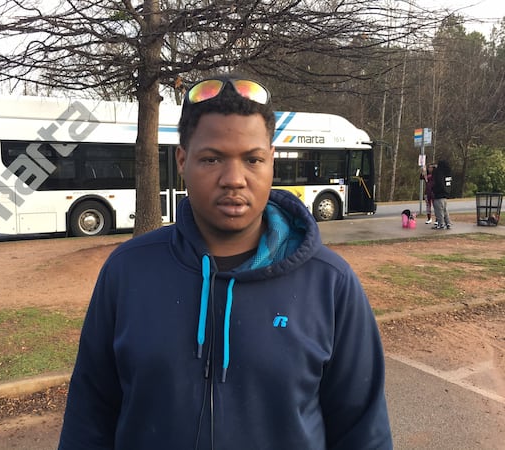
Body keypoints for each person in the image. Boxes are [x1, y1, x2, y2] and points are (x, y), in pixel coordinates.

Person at [58, 75, 393, 449]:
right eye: (212, 158)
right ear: (182, 160)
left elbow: (363, 432)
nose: (234, 179)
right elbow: (89, 418)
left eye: (253, 159)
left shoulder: (330, 283)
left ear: (271, 162)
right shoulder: (127, 271)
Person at [431, 159, 453, 229]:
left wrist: (434, 190)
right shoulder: (448, 173)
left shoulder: (439, 173)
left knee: (439, 211)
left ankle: (441, 224)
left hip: (439, 194)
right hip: (445, 194)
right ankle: (448, 223)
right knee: (445, 210)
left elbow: (438, 182)